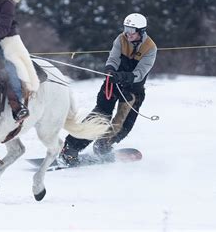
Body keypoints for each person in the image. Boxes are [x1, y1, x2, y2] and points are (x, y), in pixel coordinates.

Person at [59, 13, 157, 166]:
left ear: (141, 31)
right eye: (126, 28)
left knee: (122, 126)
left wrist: (123, 77)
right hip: (112, 84)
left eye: (132, 30)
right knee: (100, 117)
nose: (128, 33)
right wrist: (110, 70)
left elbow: (140, 73)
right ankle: (71, 147)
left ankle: (103, 145)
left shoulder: (150, 48)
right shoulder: (121, 39)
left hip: (132, 91)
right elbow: (113, 58)